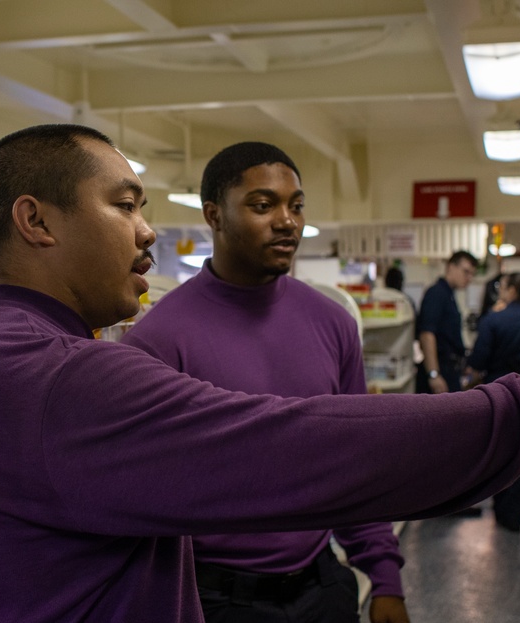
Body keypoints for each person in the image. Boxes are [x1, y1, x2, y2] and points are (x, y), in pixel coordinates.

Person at [0, 123, 520, 623]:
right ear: (35, 219)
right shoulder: (48, 378)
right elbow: (309, 446)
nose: (148, 233)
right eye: (125, 205)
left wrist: (376, 567)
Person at [122, 142, 410, 623]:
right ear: (214, 215)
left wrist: (384, 577)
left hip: (323, 589)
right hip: (215, 599)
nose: (287, 221)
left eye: (296, 206)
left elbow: (356, 461)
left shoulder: (332, 323)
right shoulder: (159, 340)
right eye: (263, 205)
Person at [466, 272, 520, 531]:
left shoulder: (494, 320)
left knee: (499, 452)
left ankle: (501, 511)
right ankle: (514, 515)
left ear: (512, 290)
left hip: (497, 394)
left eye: (502, 288)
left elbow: (478, 360)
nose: (499, 292)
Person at [415, 251, 478, 394]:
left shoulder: (449, 294)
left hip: (450, 369)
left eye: (472, 274)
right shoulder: (436, 293)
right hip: (440, 370)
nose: (469, 278)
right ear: (450, 267)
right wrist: (434, 374)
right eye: (466, 272)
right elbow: (427, 334)